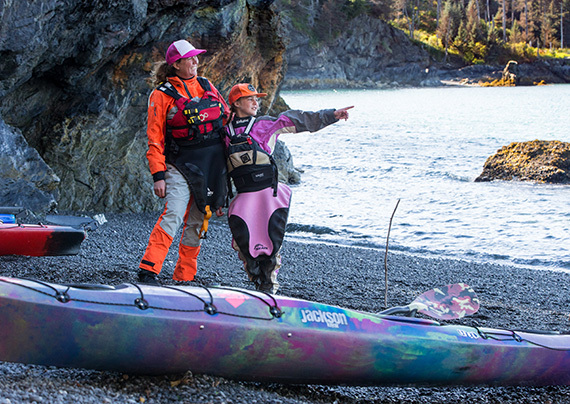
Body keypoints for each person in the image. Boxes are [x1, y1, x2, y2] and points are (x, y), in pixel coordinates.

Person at [225, 83, 352, 294]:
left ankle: (270, 288)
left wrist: (331, 115)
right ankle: (257, 283)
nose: (256, 102)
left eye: (257, 99)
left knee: (270, 242)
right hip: (244, 195)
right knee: (244, 244)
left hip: (268, 195)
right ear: (236, 103)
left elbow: (297, 119)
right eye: (250, 99)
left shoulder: (265, 125)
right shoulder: (225, 131)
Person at [137, 39, 229, 285]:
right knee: (174, 213)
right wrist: (158, 175)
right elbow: (154, 138)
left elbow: (226, 116)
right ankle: (149, 269)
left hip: (209, 167)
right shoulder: (161, 95)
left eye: (196, 57)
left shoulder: (206, 85)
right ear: (176, 65)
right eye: (190, 58)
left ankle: (184, 276)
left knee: (199, 221)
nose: (196, 62)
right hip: (178, 164)